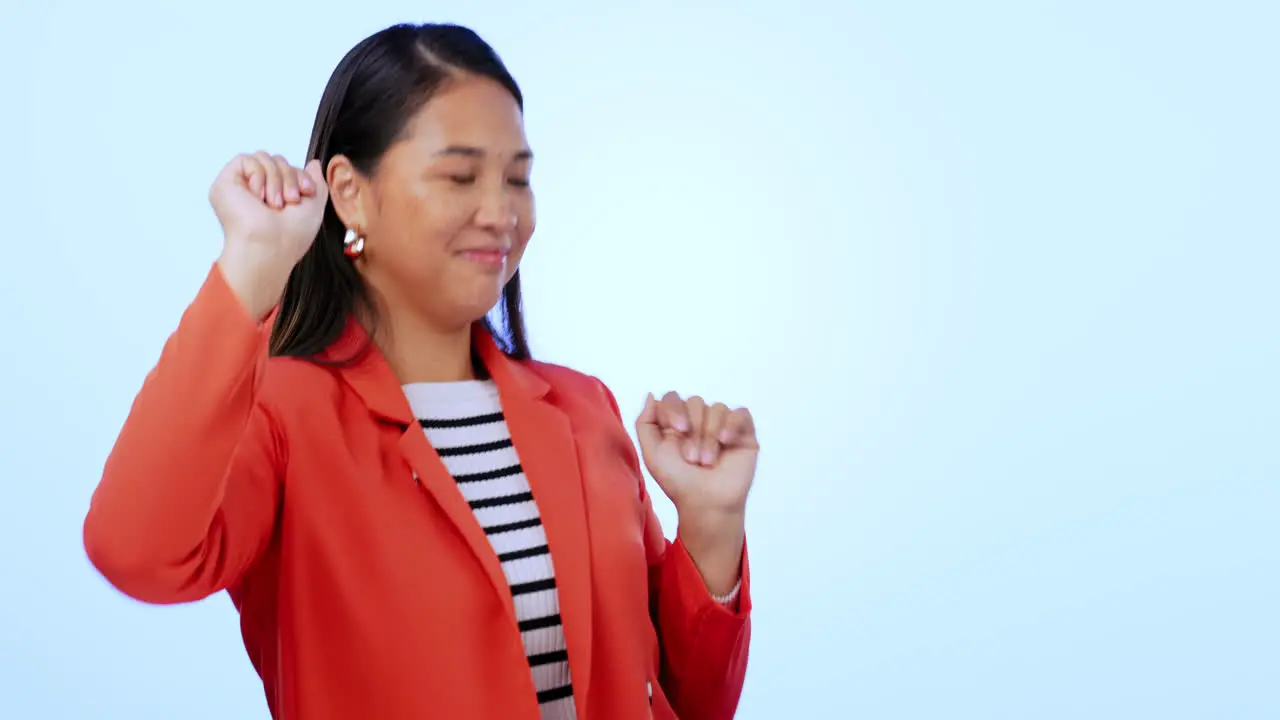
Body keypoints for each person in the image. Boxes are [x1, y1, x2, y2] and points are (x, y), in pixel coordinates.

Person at [82, 22, 757, 720]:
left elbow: (686, 702)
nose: (501, 213)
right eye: (459, 176)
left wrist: (711, 525)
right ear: (349, 192)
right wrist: (252, 265)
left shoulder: (585, 410)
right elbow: (137, 553)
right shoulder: (283, 413)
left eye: (518, 179)